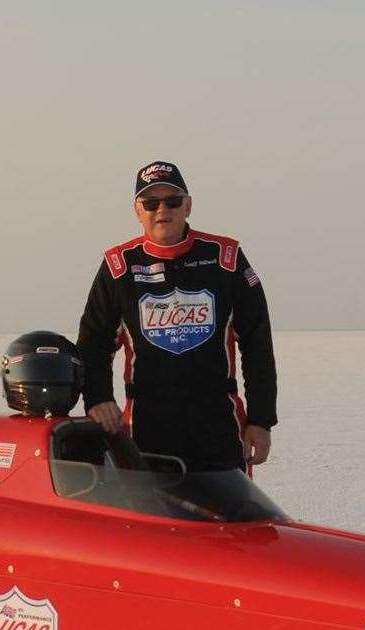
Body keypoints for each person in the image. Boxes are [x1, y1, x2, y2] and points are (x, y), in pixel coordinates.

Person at [77, 161, 277, 473]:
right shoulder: (119, 266)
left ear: (188, 206)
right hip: (148, 425)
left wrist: (261, 420)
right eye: (151, 203)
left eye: (172, 201)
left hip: (218, 422)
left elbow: (257, 343)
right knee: (151, 520)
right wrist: (98, 397)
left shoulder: (226, 258)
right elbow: (93, 342)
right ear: (137, 210)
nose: (162, 210)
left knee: (231, 520)